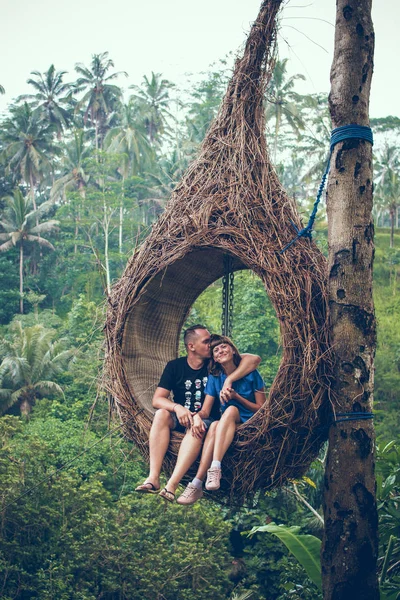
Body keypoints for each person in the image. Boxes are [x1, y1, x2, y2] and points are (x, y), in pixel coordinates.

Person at [135, 325, 261, 502]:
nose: (211, 346)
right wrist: (178, 408)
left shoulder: (214, 366)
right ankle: (153, 478)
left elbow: (254, 359)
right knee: (161, 414)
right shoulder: (175, 366)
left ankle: (172, 485)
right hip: (183, 416)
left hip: (207, 420)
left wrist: (230, 380)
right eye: (206, 342)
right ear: (191, 346)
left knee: (196, 430)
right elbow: (157, 400)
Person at [177, 334, 266, 504]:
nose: (220, 351)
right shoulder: (215, 377)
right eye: (216, 350)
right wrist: (195, 418)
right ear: (215, 359)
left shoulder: (252, 374)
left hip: (250, 421)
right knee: (215, 424)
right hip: (226, 424)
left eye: (224, 347)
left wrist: (236, 397)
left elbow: (262, 409)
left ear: (233, 350)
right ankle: (196, 483)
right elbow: (205, 411)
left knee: (231, 409)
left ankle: (215, 466)